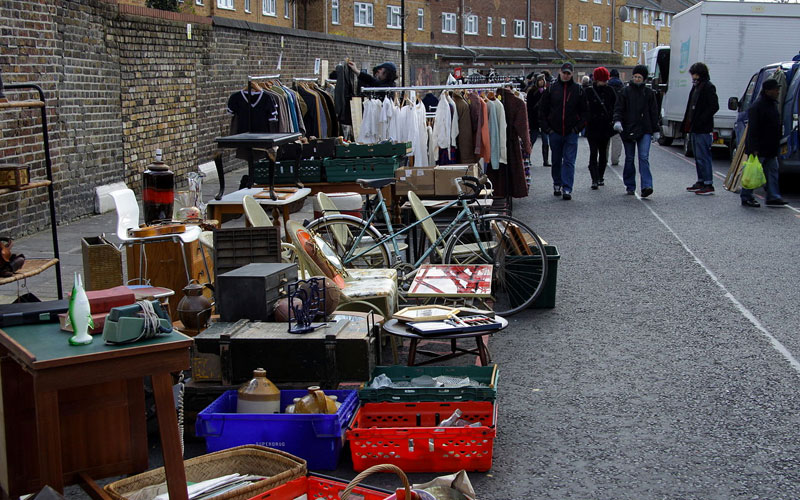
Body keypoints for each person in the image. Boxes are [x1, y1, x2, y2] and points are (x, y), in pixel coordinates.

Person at [539, 62, 588, 200]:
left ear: (572, 74)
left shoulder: (578, 90)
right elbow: (542, 111)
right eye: (564, 72)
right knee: (556, 160)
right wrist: (547, 129)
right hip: (555, 131)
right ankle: (557, 183)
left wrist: (577, 128)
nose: (566, 75)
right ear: (560, 72)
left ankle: (567, 188)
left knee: (569, 161)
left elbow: (585, 112)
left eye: (568, 73)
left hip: (571, 132)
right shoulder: (551, 89)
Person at [613, 65, 659, 197]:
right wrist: (617, 121)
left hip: (645, 128)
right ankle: (630, 185)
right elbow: (618, 108)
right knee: (629, 158)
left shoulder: (649, 93)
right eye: (635, 76)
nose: (637, 79)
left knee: (644, 157)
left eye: (639, 77)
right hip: (628, 129)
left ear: (644, 79)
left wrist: (655, 129)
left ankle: (647, 185)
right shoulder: (624, 92)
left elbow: (653, 112)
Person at [740, 78, 787, 208]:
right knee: (753, 172)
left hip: (770, 147)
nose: (778, 91)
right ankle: (747, 196)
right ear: (767, 91)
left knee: (772, 171)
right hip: (760, 147)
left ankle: (773, 196)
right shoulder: (758, 106)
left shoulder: (771, 103)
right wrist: (754, 148)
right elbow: (753, 129)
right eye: (775, 89)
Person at [682, 62, 720, 196]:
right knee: (698, 156)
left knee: (704, 155)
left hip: (703, 128)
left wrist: (701, 119)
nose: (693, 77)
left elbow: (714, 106)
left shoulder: (708, 87)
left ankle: (708, 183)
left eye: (694, 74)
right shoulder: (697, 87)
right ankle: (701, 180)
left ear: (700, 74)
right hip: (695, 127)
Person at [585, 67, 617, 189]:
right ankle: (594, 178)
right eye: (603, 80)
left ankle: (600, 176)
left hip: (605, 127)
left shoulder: (610, 91)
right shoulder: (589, 91)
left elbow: (615, 106)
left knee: (603, 153)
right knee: (594, 153)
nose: (605, 82)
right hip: (593, 127)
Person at [526, 74, 551, 167]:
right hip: (534, 120)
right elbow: (529, 107)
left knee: (545, 141)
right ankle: (527, 158)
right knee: (532, 140)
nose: (541, 82)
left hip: (543, 121)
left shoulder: (546, 92)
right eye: (540, 80)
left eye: (543, 80)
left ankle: (546, 160)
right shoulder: (532, 92)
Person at [607, 69, 624, 166]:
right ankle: (615, 159)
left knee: (605, 139)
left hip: (607, 115)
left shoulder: (607, 86)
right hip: (618, 116)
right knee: (616, 138)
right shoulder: (622, 87)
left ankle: (603, 158)